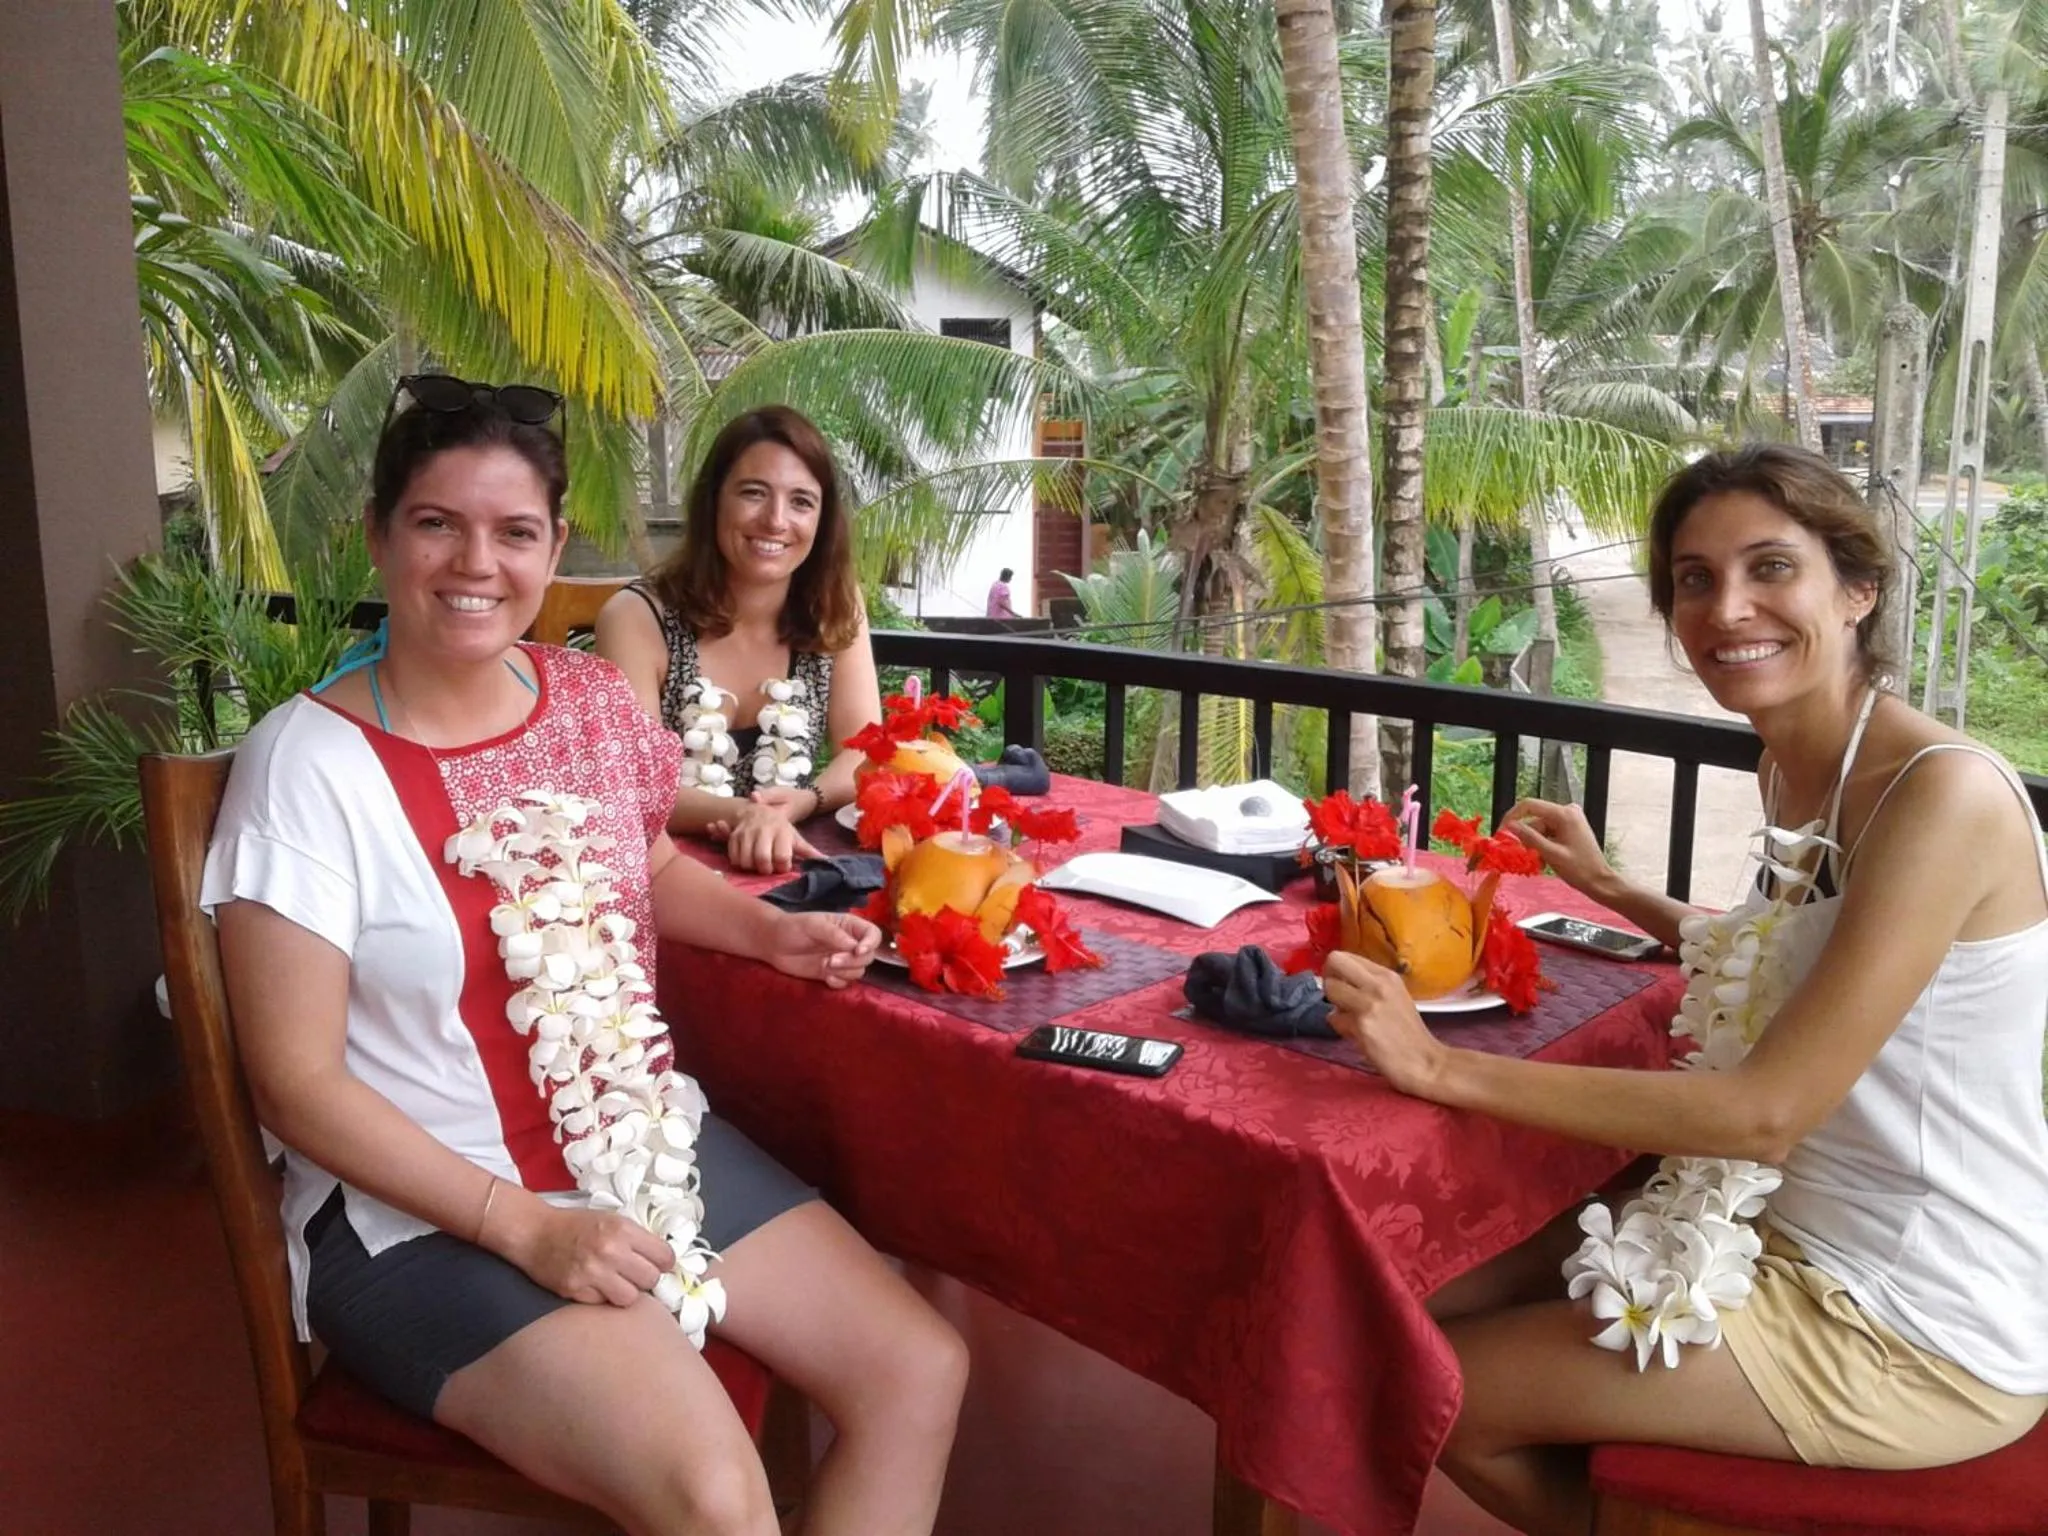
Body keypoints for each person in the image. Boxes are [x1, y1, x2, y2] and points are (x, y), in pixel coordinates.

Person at [203, 375, 966, 1536]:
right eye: (435, 523)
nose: (476, 562)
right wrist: (526, 1227)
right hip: (419, 1215)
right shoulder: (304, 765)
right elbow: (295, 1085)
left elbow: (645, 864)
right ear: (377, 535)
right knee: (719, 1498)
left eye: (514, 532)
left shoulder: (588, 699)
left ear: (554, 543)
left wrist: (773, 931)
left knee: (916, 1369)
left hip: (633, 1138)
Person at [1324, 443, 2048, 1536]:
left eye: (1769, 568)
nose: (1726, 608)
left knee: (1430, 1387)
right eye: (1694, 579)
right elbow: (1782, 957)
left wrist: (1432, 1066)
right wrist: (1610, 885)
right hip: (1775, 1226)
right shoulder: (1795, 762)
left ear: (1855, 590)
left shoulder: (1938, 797)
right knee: (1412, 1295)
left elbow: (1761, 1111)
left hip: (1913, 1315)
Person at [596, 407, 881, 875]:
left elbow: (866, 748)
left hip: (788, 863)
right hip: (664, 879)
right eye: (753, 493)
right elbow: (636, 785)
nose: (775, 520)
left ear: (822, 520)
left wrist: (804, 801)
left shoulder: (834, 609)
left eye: (802, 502)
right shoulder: (635, 618)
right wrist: (746, 815)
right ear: (713, 502)